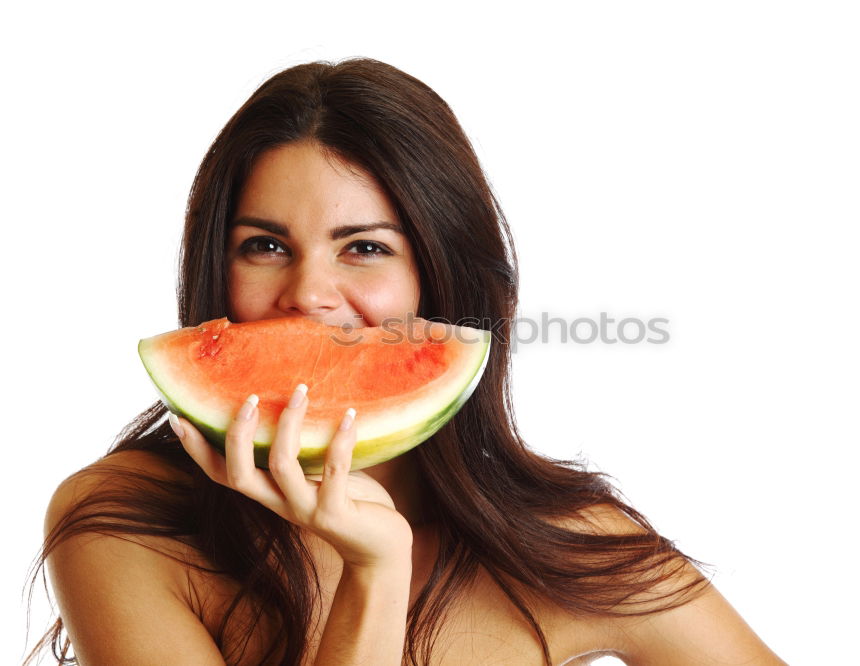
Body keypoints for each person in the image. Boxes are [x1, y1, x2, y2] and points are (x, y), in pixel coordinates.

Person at [29, 58, 785, 665]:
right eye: (264, 246)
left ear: (443, 280)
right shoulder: (127, 526)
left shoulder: (574, 551)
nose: (309, 295)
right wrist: (373, 577)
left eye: (365, 248)